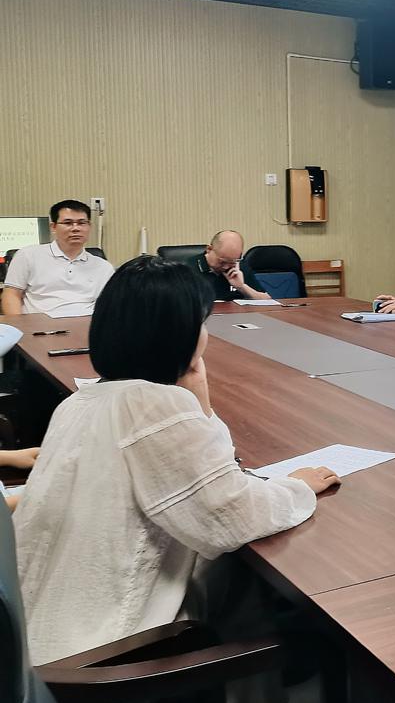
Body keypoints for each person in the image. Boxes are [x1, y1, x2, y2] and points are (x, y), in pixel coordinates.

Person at [14, 256, 339, 666]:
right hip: (101, 657)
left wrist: (198, 401)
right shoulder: (155, 406)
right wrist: (298, 486)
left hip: (33, 639)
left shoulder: (81, 401)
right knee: (247, 586)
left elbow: (210, 475)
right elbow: (232, 516)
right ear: (180, 333)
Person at [1, 200, 113, 316]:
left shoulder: (103, 267)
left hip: (88, 323)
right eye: (68, 223)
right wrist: (19, 324)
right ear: (53, 227)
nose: (75, 228)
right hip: (40, 324)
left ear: (89, 226)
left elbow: (111, 303)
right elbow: (11, 294)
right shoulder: (28, 255)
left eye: (81, 223)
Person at [184, 230, 271, 301]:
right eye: (222, 262)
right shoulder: (188, 269)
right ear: (209, 249)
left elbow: (267, 301)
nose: (226, 267)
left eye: (232, 262)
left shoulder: (239, 267)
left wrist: (242, 287)